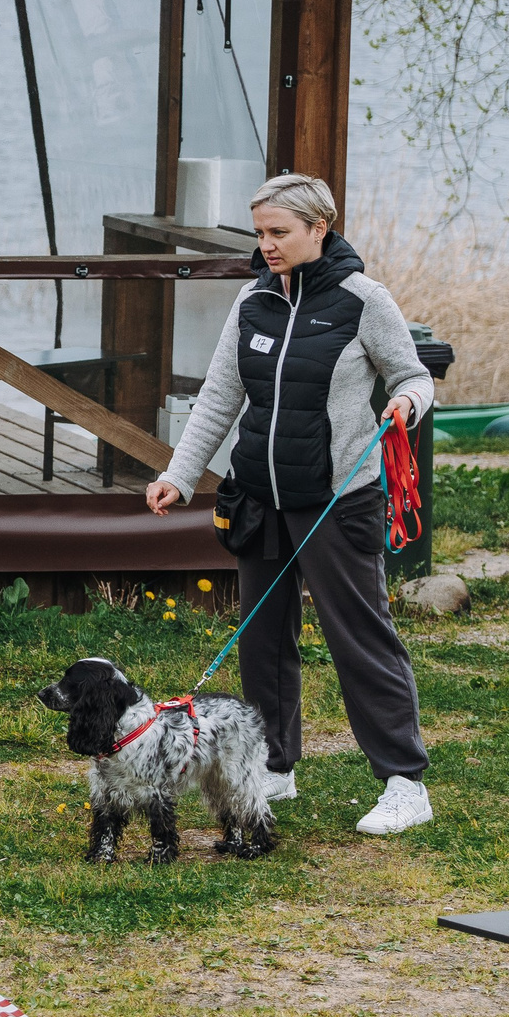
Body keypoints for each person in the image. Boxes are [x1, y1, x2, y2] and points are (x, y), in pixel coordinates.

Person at [145, 172, 437, 836]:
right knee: (264, 641)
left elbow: (414, 376)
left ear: (318, 229)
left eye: (279, 232)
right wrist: (179, 475)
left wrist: (405, 402)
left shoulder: (363, 300)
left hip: (338, 499)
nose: (266, 245)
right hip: (259, 497)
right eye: (260, 233)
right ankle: (275, 765)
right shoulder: (253, 300)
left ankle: (404, 782)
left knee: (359, 638)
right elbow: (220, 395)